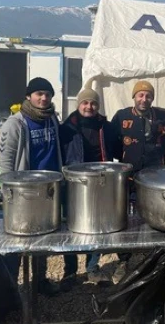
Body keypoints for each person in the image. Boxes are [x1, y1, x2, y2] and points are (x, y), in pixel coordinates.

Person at [0, 77, 63, 296]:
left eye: (47, 94)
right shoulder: (16, 123)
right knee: (18, 240)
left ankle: (40, 282)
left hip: (48, 189)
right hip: (23, 192)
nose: (44, 98)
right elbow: (6, 162)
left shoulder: (52, 119)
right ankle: (9, 288)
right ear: (28, 96)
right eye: (39, 94)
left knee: (43, 236)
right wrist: (8, 192)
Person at [110, 80, 165, 281]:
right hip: (129, 176)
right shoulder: (122, 116)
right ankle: (124, 260)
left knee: (153, 215)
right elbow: (112, 144)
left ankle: (151, 259)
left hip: (154, 177)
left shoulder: (163, 117)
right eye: (140, 95)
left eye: (148, 96)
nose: (144, 99)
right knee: (127, 218)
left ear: (152, 98)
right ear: (134, 97)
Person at [58, 82, 116, 288]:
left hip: (100, 182)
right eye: (85, 103)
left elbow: (115, 150)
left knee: (97, 225)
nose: (89, 107)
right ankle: (70, 271)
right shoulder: (67, 127)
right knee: (71, 226)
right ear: (78, 105)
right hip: (74, 182)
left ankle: (92, 267)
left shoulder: (106, 126)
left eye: (93, 103)